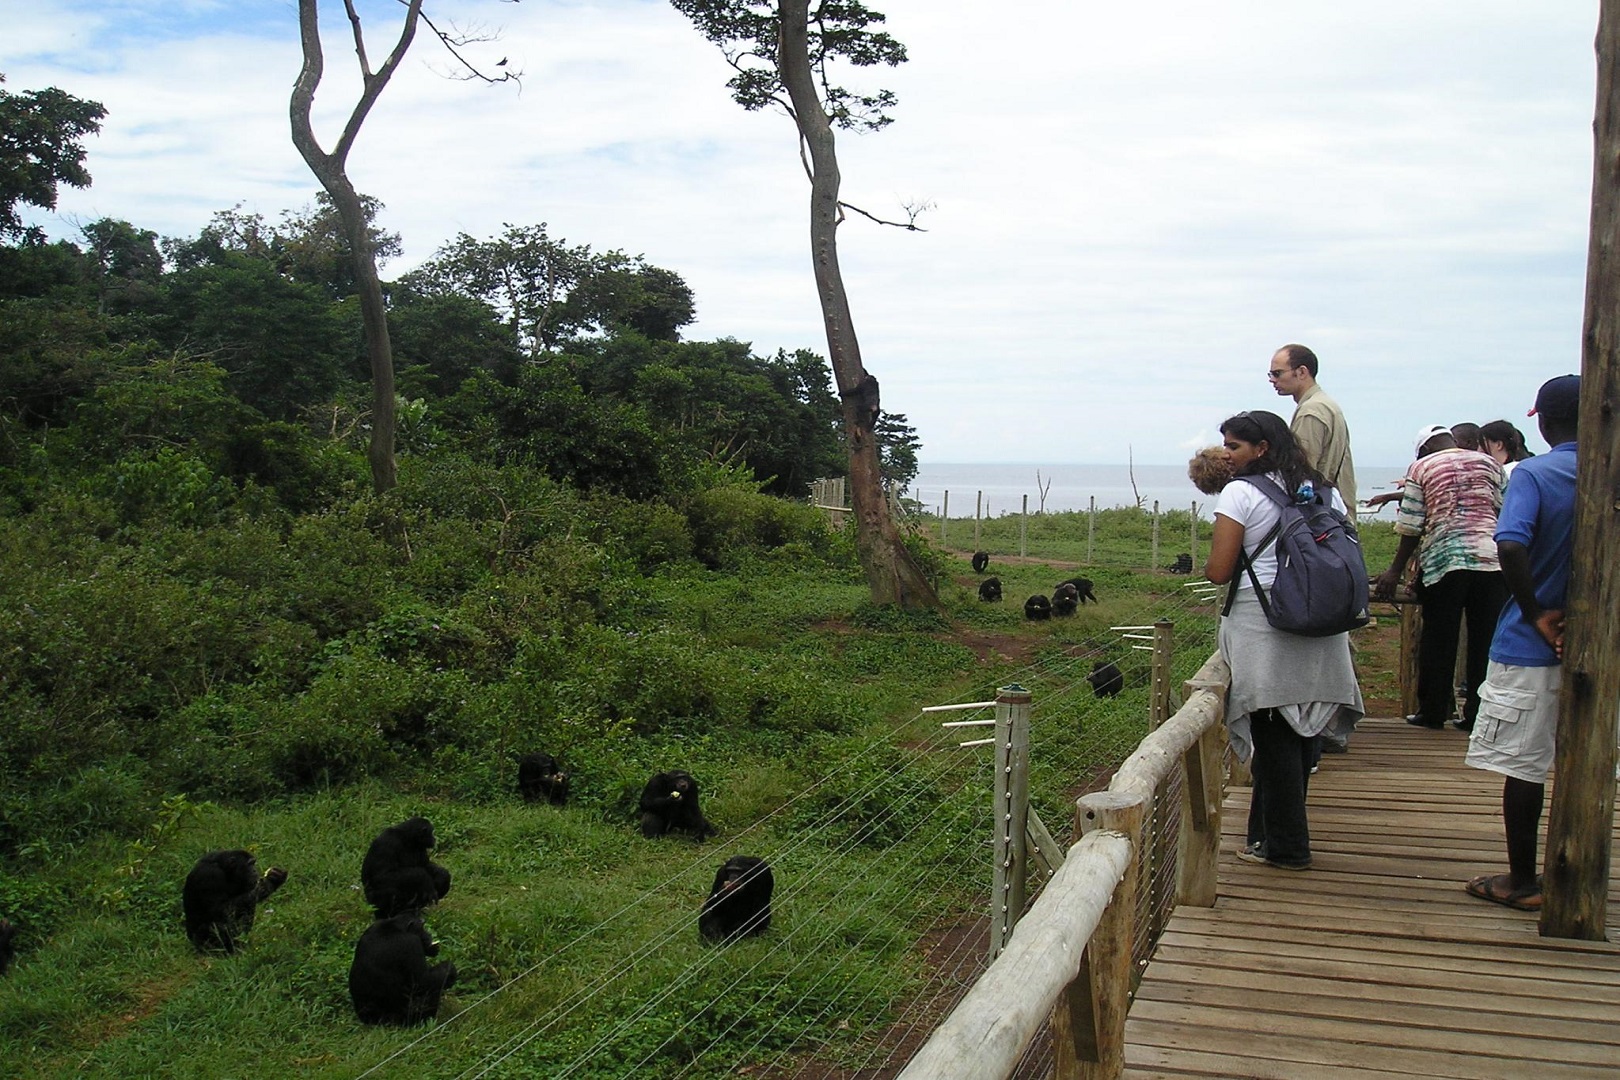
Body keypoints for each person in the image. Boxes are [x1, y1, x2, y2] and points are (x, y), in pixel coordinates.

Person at [1205, 410, 1363, 871]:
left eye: (1234, 446)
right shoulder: (1322, 491)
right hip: (1319, 616)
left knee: (1273, 731)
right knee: (1302, 728)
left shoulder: (1240, 492)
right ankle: (1266, 836)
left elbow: (1219, 569)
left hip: (1265, 621)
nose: (1226, 455)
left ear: (1261, 448)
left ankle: (1289, 847)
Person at [1462, 375, 1579, 912]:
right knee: (1587, 760)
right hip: (1597, 643)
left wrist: (1536, 614)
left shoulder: (1535, 473)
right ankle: (1579, 866)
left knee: (1526, 767)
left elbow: (1510, 542)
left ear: (1546, 422)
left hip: (1534, 645)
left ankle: (1523, 880)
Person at [1371, 424, 1507, 731]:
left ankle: (1432, 712)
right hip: (1491, 560)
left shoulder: (1421, 467)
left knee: (1439, 639)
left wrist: (1395, 570)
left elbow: (1411, 524)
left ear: (1424, 450)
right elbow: (1504, 508)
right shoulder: (1489, 463)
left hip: (1445, 562)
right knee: (1484, 641)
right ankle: (1476, 715)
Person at [1267, 344, 1357, 520]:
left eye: (1277, 373)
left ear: (1301, 372)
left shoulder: (1311, 411)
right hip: (1336, 517)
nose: (1272, 380)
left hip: (1321, 520)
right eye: (1271, 374)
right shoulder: (1326, 404)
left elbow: (1300, 472)